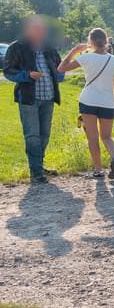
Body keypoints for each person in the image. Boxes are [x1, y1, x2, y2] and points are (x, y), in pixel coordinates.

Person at [3, 16, 65, 183]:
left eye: (42, 29)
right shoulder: (17, 47)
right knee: (32, 136)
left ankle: (39, 166)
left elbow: (60, 68)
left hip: (49, 98)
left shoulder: (49, 48)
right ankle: (36, 172)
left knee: (44, 135)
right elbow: (8, 72)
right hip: (29, 99)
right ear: (29, 30)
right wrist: (27, 75)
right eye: (36, 29)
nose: (40, 32)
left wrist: (59, 75)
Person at [58, 28, 114, 179]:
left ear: (91, 42)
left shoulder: (86, 58)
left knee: (92, 138)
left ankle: (99, 170)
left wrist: (74, 51)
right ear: (106, 41)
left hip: (88, 101)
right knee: (107, 136)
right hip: (107, 103)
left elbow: (61, 69)